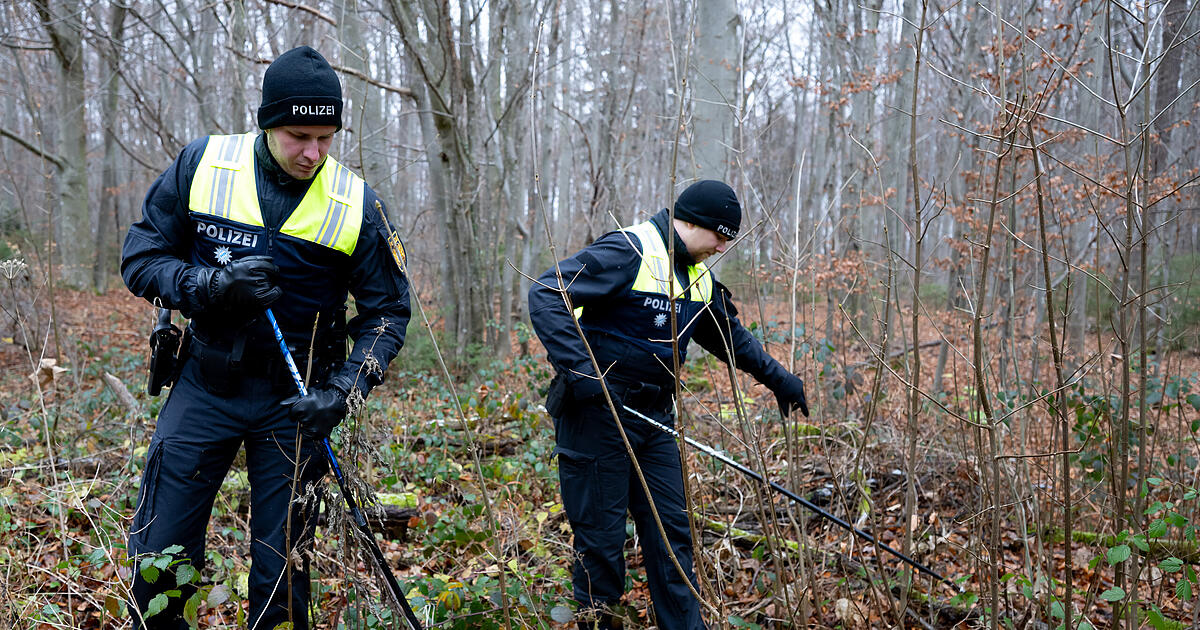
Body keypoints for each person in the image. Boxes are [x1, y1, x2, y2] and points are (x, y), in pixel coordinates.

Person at [121, 46, 411, 629]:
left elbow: (388, 314)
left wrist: (344, 392)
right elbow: (141, 258)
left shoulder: (358, 203)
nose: (314, 153)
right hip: (205, 384)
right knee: (160, 550)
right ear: (267, 122)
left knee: (281, 565)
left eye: (327, 138)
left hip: (296, 403)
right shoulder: (204, 165)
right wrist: (210, 285)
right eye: (299, 136)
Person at [527, 180, 809, 630]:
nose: (721, 247)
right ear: (694, 222)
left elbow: (727, 335)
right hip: (596, 415)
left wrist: (780, 380)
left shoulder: (698, 276)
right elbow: (546, 292)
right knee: (600, 545)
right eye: (720, 235)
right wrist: (586, 376)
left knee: (671, 539)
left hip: (655, 419)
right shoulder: (630, 250)